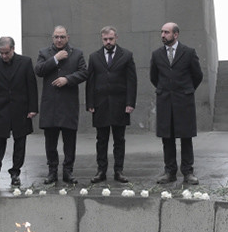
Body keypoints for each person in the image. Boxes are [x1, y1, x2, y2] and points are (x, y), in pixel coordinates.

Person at [150, 22, 203, 185]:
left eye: (166, 32)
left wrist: (186, 90)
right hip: (165, 101)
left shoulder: (188, 52)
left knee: (186, 137)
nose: (163, 35)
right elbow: (154, 77)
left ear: (176, 34)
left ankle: (188, 172)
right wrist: (165, 89)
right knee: (167, 138)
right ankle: (169, 172)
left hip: (184, 101)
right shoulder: (157, 54)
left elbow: (197, 75)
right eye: (162, 32)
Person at [35, 25, 88, 184]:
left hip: (68, 105)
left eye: (62, 37)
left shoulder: (77, 53)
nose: (59, 40)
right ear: (52, 38)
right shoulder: (44, 53)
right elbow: (39, 70)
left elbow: (84, 73)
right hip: (50, 106)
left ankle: (68, 171)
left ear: (67, 37)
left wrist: (68, 79)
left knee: (69, 141)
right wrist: (55, 59)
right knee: (50, 142)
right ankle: (52, 171)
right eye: (56, 37)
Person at [86, 26, 137, 183]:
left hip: (120, 105)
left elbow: (132, 81)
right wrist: (90, 103)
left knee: (119, 139)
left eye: (111, 39)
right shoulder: (94, 57)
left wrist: (130, 103)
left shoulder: (126, 55)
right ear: (102, 39)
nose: (108, 42)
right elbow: (90, 82)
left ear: (116, 38)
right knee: (101, 140)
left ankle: (118, 171)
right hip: (100, 105)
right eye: (105, 39)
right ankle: (101, 171)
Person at [0, 36, 38, 187]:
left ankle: (15, 173)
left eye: (6, 52)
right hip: (1, 110)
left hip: (21, 110)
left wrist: (33, 108)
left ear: (13, 49)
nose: (4, 56)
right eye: (1, 53)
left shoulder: (25, 62)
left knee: (20, 143)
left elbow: (31, 87)